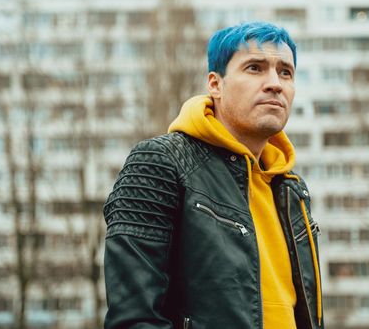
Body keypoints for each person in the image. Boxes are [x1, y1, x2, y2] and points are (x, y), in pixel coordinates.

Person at [103, 21, 323, 329]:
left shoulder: (292, 192)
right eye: (255, 68)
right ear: (215, 84)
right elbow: (134, 319)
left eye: (285, 71)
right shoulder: (162, 163)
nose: (275, 83)